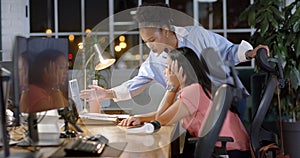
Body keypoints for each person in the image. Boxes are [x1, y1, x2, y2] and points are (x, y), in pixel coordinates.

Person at [80, 2, 269, 118]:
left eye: (152, 40)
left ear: (165, 28)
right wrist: (106, 94)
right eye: (145, 42)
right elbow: (136, 83)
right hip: (197, 112)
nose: (150, 47)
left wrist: (251, 53)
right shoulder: (155, 60)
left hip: (229, 102)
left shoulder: (196, 36)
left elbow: (228, 51)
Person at [118, 47, 250, 157]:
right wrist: (139, 118)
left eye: (169, 68)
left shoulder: (193, 91)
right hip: (230, 148)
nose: (165, 72)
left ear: (181, 70)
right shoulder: (196, 88)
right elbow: (167, 114)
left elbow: (161, 118)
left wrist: (172, 87)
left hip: (230, 151)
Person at [20, 49, 68, 113]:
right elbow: (61, 115)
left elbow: (67, 109)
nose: (65, 72)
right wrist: (55, 87)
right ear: (46, 69)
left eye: (66, 68)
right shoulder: (34, 92)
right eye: (61, 68)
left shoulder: (50, 91)